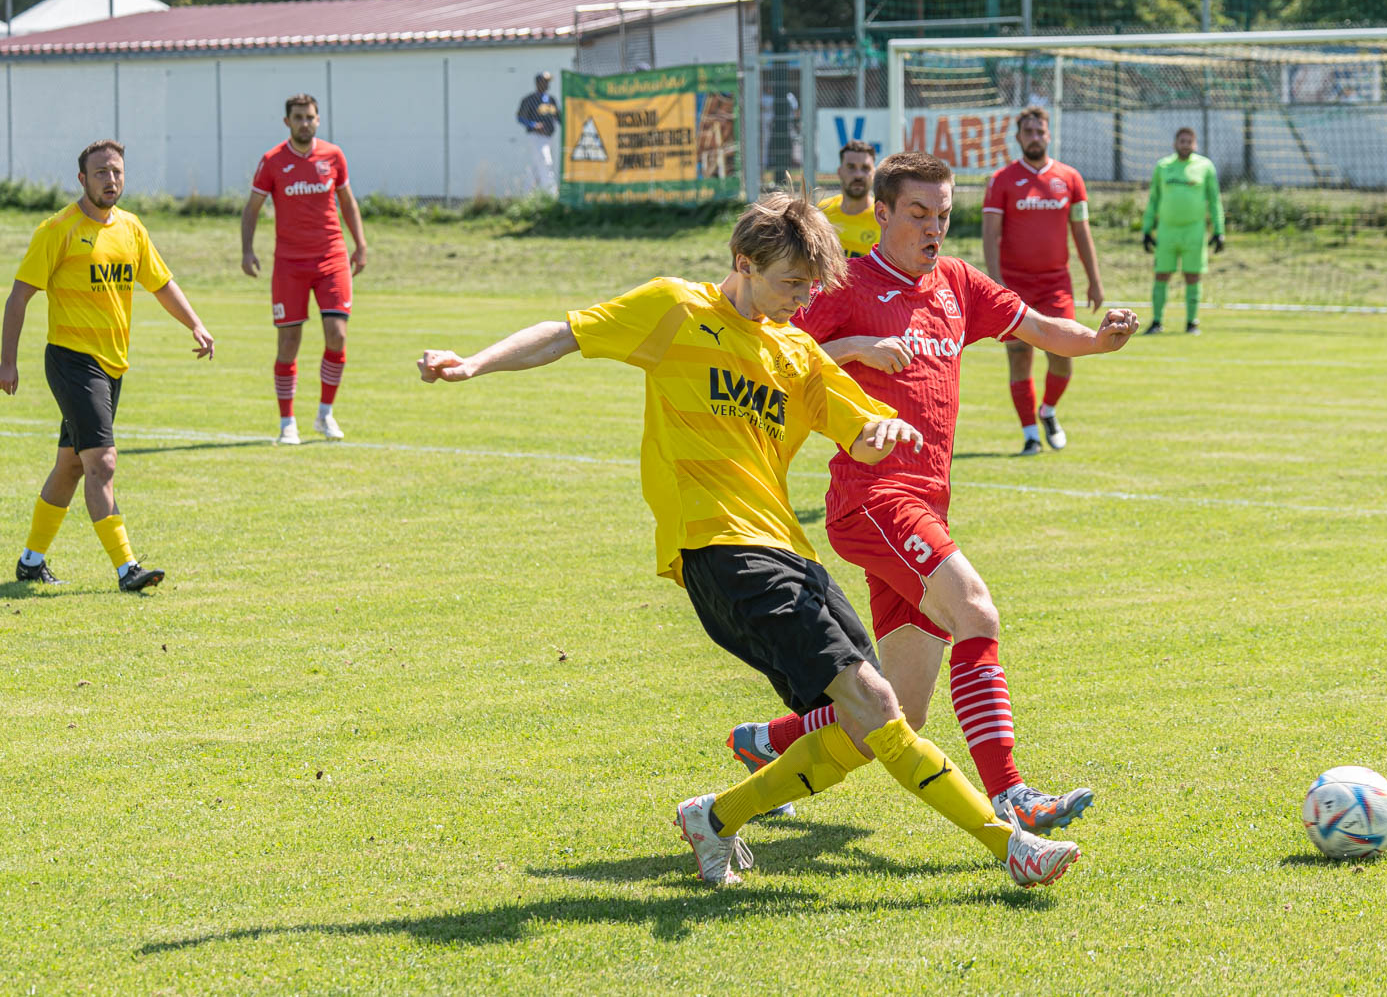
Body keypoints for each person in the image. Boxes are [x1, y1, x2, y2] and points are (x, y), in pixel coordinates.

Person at [418, 194, 1082, 889]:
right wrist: (475, 363)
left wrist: (881, 430)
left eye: (810, 285)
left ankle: (716, 815)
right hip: (719, 550)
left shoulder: (794, 351)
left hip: (792, 553)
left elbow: (861, 420)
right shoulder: (676, 309)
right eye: (792, 283)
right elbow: (564, 333)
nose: (803, 299)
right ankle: (1009, 847)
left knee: (864, 723)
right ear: (745, 263)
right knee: (880, 709)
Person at [727, 152, 1138, 843]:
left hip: (924, 503)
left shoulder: (955, 282)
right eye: (918, 213)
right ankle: (1012, 797)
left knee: (900, 712)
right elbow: (773, 353)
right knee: (976, 608)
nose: (933, 228)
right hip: (872, 496)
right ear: (881, 214)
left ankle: (767, 740)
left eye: (944, 215)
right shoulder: (846, 282)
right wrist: (856, 343)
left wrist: (1096, 342)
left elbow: (1036, 326)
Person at [0, 139, 214, 591]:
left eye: (116, 171)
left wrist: (195, 324)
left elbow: (161, 282)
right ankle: (126, 568)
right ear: (82, 179)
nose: (110, 180)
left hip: (112, 366)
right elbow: (20, 295)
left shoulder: (131, 229)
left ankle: (31, 562)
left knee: (72, 466)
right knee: (103, 463)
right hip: (72, 361)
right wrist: (7, 362)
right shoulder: (59, 230)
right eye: (100, 173)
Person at [242, 93, 368, 445]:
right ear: (287, 122)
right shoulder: (272, 161)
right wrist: (247, 250)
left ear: (317, 119)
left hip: (331, 258)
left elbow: (347, 201)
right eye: (298, 117)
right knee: (289, 342)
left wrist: (360, 244)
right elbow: (252, 208)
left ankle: (325, 414)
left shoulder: (333, 156)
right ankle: (287, 423)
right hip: (289, 265)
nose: (304, 123)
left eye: (310, 117)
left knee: (337, 335)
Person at [981, 107, 1105, 455]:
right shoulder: (1001, 180)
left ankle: (1048, 410)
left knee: (1064, 354)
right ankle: (1030, 435)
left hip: (1056, 285)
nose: (1035, 137)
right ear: (1018, 138)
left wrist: (1094, 280)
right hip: (1015, 286)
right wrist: (996, 283)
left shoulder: (1069, 178)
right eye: (1028, 132)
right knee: (1019, 356)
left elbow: (1081, 232)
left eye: (1040, 131)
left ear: (1048, 135)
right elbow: (990, 235)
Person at [1141, 127, 1225, 335]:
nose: (1185, 144)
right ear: (1175, 143)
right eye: (1182, 141)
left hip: (1194, 231)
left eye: (1189, 141)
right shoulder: (1163, 167)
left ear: (1195, 144)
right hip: (1167, 231)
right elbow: (1153, 200)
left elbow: (1214, 200)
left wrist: (1219, 230)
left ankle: (1191, 323)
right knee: (1161, 275)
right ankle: (1157, 321)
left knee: (1193, 276)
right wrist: (1146, 229)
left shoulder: (1205, 167)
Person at [816, 140, 879, 257]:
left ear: (874, 173)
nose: (858, 175)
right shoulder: (822, 213)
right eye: (851, 167)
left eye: (865, 168)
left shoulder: (883, 218)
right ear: (839, 172)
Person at [516, 72, 560, 195]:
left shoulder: (551, 100)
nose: (547, 84)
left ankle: (526, 194)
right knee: (546, 162)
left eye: (548, 81)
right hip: (535, 137)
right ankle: (551, 194)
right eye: (544, 81)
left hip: (549, 137)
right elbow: (520, 117)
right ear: (538, 83)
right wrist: (533, 125)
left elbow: (559, 118)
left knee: (536, 167)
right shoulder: (530, 99)